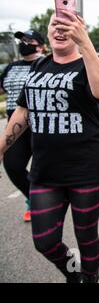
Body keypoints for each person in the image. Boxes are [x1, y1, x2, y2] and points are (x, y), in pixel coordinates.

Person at [0, 11, 99, 283]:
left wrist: (86, 44)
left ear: (80, 29)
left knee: (86, 236)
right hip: (45, 172)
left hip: (87, 169)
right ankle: (73, 273)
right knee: (44, 240)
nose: (60, 30)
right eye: (55, 24)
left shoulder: (90, 63)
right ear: (48, 31)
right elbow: (21, 113)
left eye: (68, 25)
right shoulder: (39, 66)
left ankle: (90, 278)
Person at [0, 29, 46, 222]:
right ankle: (33, 198)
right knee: (12, 165)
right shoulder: (12, 67)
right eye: (22, 40)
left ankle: (43, 203)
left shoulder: (48, 63)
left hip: (41, 125)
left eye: (29, 40)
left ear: (41, 46)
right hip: (15, 126)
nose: (24, 43)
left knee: (41, 169)